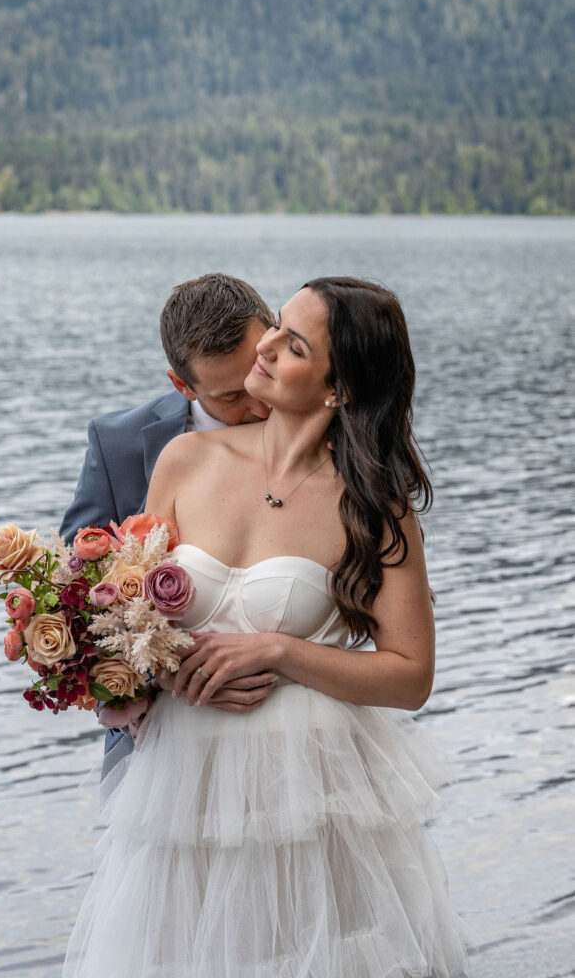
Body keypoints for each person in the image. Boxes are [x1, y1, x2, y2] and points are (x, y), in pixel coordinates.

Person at [62, 277, 471, 977]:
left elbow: (409, 676)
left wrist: (281, 650)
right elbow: (133, 618)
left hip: (311, 800)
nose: (267, 344)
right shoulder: (182, 461)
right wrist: (164, 670)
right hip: (182, 794)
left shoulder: (374, 504)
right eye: (277, 325)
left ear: (335, 388)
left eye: (293, 342)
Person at [60, 273, 278, 763]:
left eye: (260, 374)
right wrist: (174, 673)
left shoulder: (328, 429)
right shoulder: (117, 443)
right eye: (230, 397)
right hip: (160, 751)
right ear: (182, 385)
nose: (260, 406)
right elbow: (75, 606)